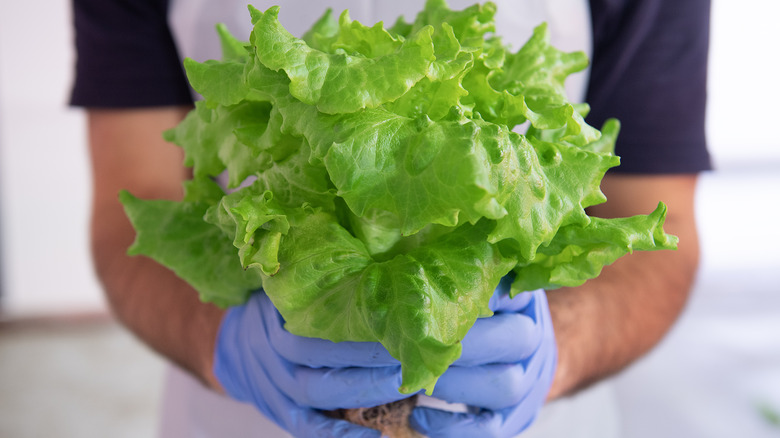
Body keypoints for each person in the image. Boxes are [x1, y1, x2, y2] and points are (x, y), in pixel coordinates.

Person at [71, 0, 711, 436]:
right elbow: (133, 206)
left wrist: (558, 351)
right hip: (242, 419)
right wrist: (222, 345)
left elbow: (659, 226)